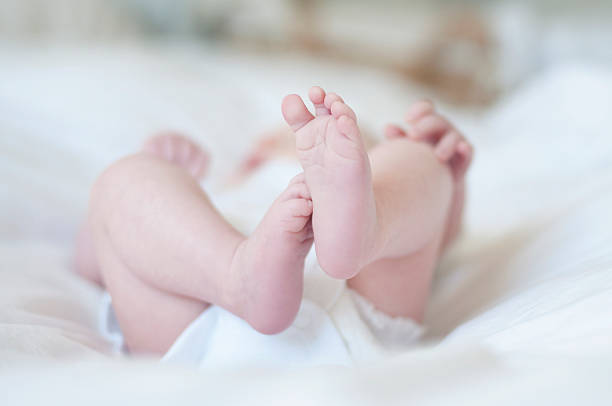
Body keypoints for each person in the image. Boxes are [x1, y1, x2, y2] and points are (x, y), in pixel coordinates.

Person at [74, 87, 473, 355]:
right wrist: (157, 171)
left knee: (415, 159)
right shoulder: (209, 192)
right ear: (255, 156)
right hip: (204, 306)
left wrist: (444, 172)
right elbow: (92, 260)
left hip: (211, 336)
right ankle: (237, 274)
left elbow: (442, 242)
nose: (313, 150)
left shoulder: (364, 184)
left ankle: (367, 227)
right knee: (129, 181)